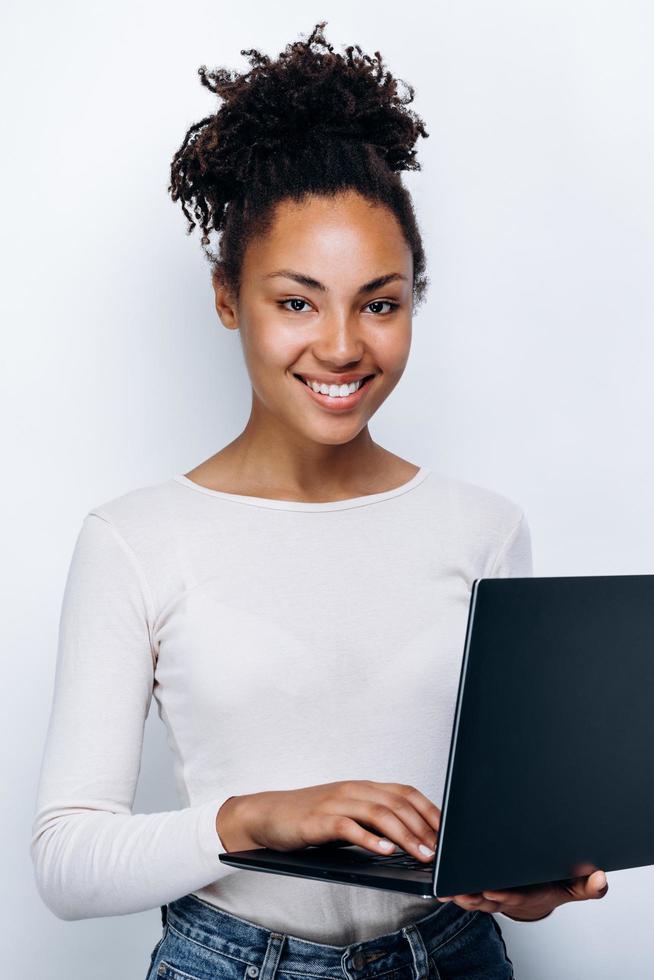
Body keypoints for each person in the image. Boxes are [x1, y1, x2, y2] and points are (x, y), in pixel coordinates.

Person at [30, 20, 608, 980]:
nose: (341, 346)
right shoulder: (136, 540)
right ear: (228, 296)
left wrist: (532, 880)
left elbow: (508, 822)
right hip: (231, 962)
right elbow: (65, 860)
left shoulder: (486, 529)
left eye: (379, 302)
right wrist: (254, 819)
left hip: (455, 957)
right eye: (297, 300)